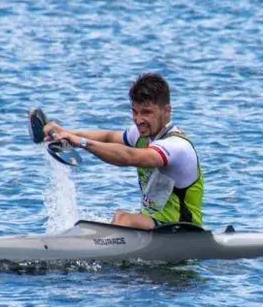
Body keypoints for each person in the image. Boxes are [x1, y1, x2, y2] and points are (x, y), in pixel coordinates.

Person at [44, 72, 204, 229]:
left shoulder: (177, 147)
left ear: (167, 111)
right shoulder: (143, 135)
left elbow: (129, 157)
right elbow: (108, 136)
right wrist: (66, 133)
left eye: (147, 113)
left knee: (123, 218)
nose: (139, 120)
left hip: (184, 230)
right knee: (115, 219)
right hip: (156, 225)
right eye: (135, 112)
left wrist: (82, 143)